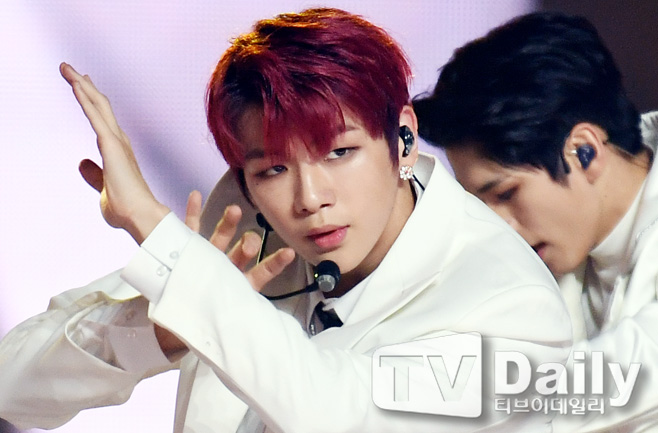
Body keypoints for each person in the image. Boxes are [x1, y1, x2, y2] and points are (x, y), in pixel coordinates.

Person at [0, 8, 571, 433]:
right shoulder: (250, 232)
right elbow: (11, 384)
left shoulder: (513, 307)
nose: (310, 199)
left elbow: (335, 413)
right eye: (273, 168)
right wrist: (162, 333)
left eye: (340, 153)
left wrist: (155, 229)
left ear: (402, 137)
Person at [414, 11, 658, 432]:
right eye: (479, 204)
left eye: (506, 194)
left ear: (585, 151)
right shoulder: (547, 256)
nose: (498, 228)